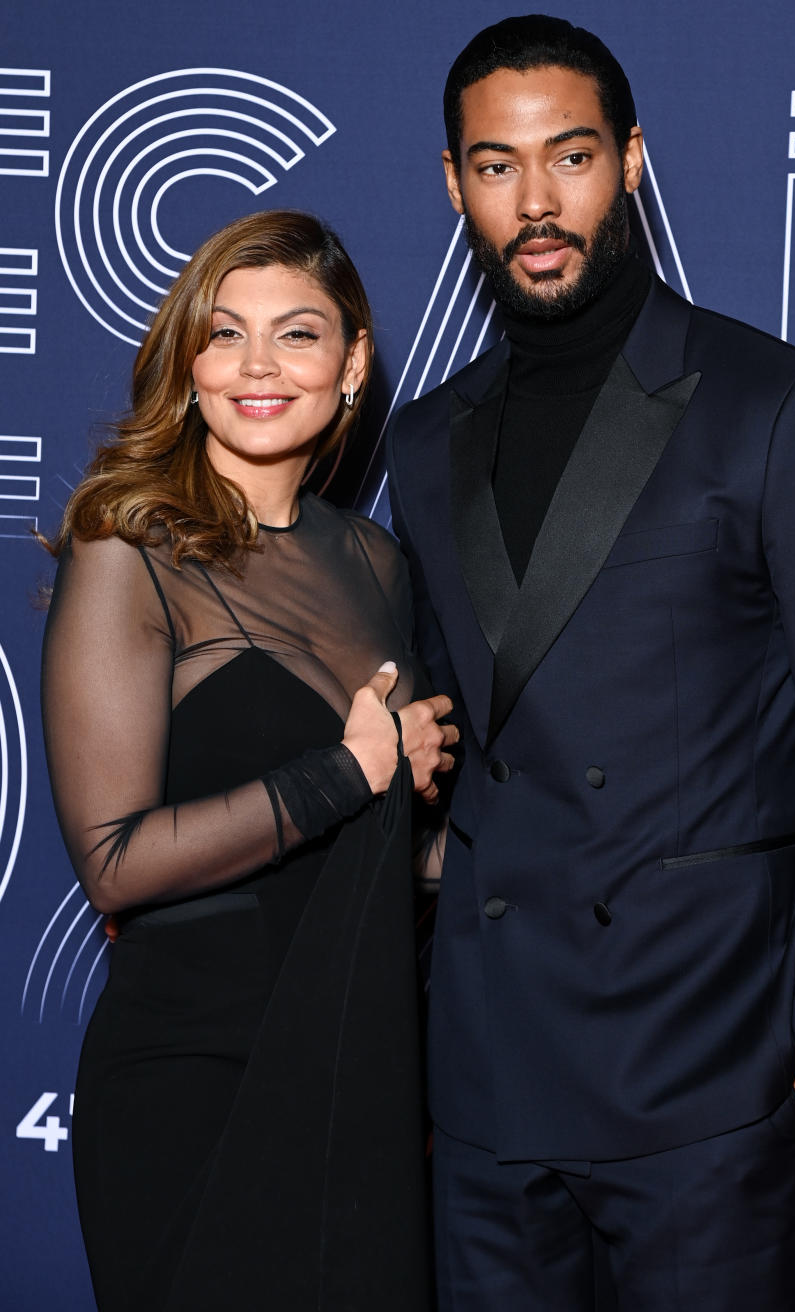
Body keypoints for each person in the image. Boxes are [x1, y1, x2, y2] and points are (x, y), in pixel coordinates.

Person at [386, 15, 795, 1311]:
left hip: (705, 1085)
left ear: (632, 159)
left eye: (570, 156)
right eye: (495, 165)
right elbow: (455, 761)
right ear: (452, 181)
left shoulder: (784, 410)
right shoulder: (423, 445)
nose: (536, 201)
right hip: (483, 1101)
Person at [41, 209, 457, 1312]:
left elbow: (383, 864)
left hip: (360, 1066)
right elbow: (115, 861)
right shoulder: (129, 542)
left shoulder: (376, 559)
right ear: (189, 363)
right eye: (225, 334)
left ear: (353, 361)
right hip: (193, 1075)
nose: (258, 366)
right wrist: (347, 772)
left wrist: (433, 821)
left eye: (299, 334)